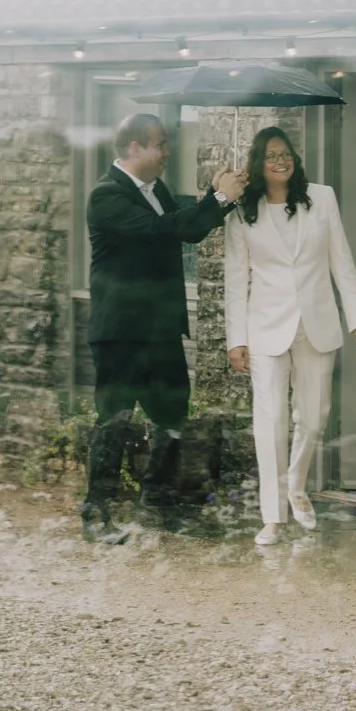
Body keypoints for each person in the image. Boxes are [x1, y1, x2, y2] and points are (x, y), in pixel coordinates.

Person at [84, 113, 246, 542]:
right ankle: (96, 514)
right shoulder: (106, 196)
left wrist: (215, 193)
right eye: (160, 144)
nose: (166, 152)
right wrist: (220, 200)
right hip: (120, 331)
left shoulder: (154, 190)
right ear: (135, 147)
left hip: (161, 330)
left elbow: (187, 230)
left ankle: (158, 503)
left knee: (171, 416)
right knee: (115, 420)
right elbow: (163, 230)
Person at [223, 126, 356, 546]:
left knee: (314, 416)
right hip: (265, 329)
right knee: (269, 421)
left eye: (285, 153)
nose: (280, 160)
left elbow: (341, 261)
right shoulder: (240, 211)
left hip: (317, 324)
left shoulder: (321, 198)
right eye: (271, 155)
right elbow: (236, 281)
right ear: (258, 163)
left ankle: (297, 485)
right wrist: (236, 339)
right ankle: (272, 516)